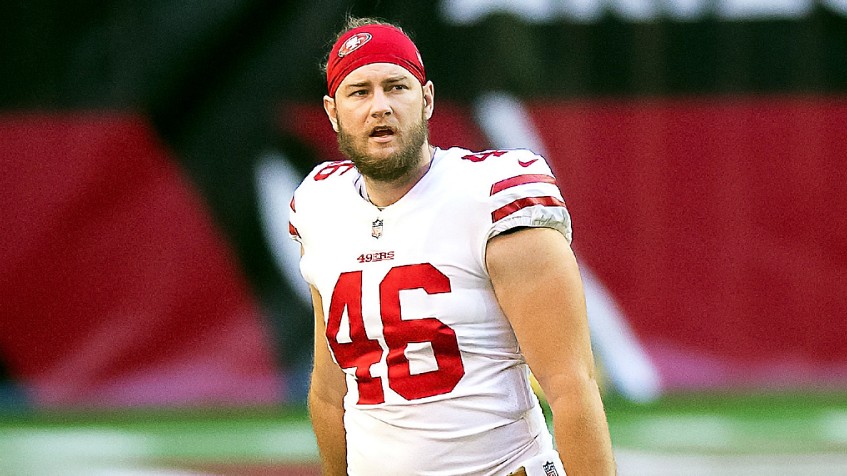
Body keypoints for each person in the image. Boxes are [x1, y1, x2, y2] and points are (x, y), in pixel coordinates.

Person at [289, 16, 616, 476]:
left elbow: (572, 387)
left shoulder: (492, 195)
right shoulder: (319, 204)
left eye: (396, 87)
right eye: (359, 91)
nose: (379, 106)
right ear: (332, 111)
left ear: (426, 99)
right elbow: (330, 389)